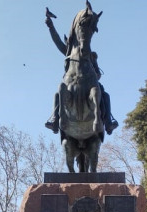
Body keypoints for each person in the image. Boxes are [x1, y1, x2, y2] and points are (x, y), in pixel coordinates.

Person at [44, 7, 118, 135]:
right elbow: (57, 41)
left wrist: (94, 76)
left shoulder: (91, 55)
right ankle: (55, 120)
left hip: (89, 82)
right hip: (71, 82)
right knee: (58, 94)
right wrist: (51, 27)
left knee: (105, 95)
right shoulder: (68, 53)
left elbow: (98, 73)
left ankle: (108, 122)